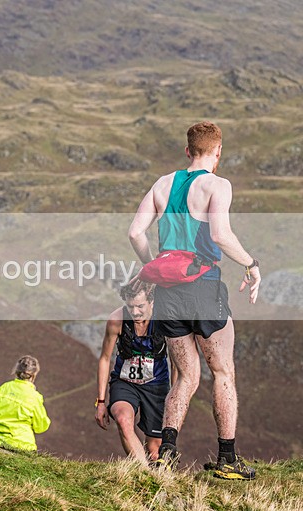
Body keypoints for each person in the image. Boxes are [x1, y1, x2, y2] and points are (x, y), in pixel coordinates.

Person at [128, 121, 261, 480]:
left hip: (169, 293)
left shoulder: (162, 184)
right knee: (222, 372)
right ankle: (228, 460)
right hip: (203, 286)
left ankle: (167, 454)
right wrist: (250, 263)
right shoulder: (217, 184)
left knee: (185, 377)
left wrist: (155, 268)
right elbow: (220, 234)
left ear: (188, 151)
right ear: (218, 152)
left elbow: (135, 232)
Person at [95, 281, 169, 465]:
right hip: (125, 382)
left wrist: (175, 400)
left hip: (157, 385)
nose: (135, 312)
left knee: (155, 450)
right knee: (122, 419)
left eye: (140, 306)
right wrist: (101, 402)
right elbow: (105, 358)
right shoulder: (117, 320)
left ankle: (154, 472)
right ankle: (143, 473)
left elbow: (177, 363)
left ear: (151, 301)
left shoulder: (166, 319)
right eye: (130, 307)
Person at [0, 356, 50, 451]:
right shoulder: (34, 396)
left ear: (16, 371)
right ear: (34, 374)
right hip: (24, 446)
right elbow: (41, 427)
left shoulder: (3, 388)